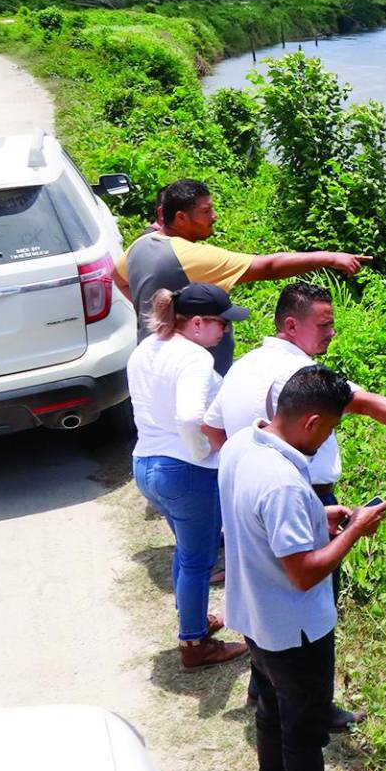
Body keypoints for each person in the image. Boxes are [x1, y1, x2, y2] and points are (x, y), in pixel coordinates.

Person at [203, 281, 386, 730]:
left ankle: (265, 687)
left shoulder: (244, 364)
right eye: (323, 325)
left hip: (243, 495)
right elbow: (363, 403)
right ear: (292, 325)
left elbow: (213, 430)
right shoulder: (297, 379)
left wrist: (245, 470)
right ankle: (315, 709)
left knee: (260, 596)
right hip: (294, 495)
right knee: (309, 608)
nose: (331, 333)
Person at [219, 365, 386, 771]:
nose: (330, 436)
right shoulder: (285, 486)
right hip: (295, 628)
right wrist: (355, 530)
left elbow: (264, 529)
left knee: (271, 713)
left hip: (255, 615)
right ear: (312, 421)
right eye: (332, 427)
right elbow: (304, 572)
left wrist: (322, 519)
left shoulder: (241, 447)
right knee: (305, 732)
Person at [114, 179, 372, 373]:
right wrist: (330, 257)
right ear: (181, 218)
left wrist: (152, 311)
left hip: (152, 356)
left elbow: (118, 278)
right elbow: (269, 267)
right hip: (195, 368)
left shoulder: (141, 245)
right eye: (206, 211)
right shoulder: (190, 256)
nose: (213, 217)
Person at [128, 283, 250, 671]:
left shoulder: (146, 348)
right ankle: (195, 645)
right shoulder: (194, 359)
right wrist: (205, 451)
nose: (226, 332)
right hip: (185, 471)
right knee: (198, 560)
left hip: (146, 464)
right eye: (222, 325)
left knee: (185, 548)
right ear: (196, 323)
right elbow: (187, 417)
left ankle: (193, 619)